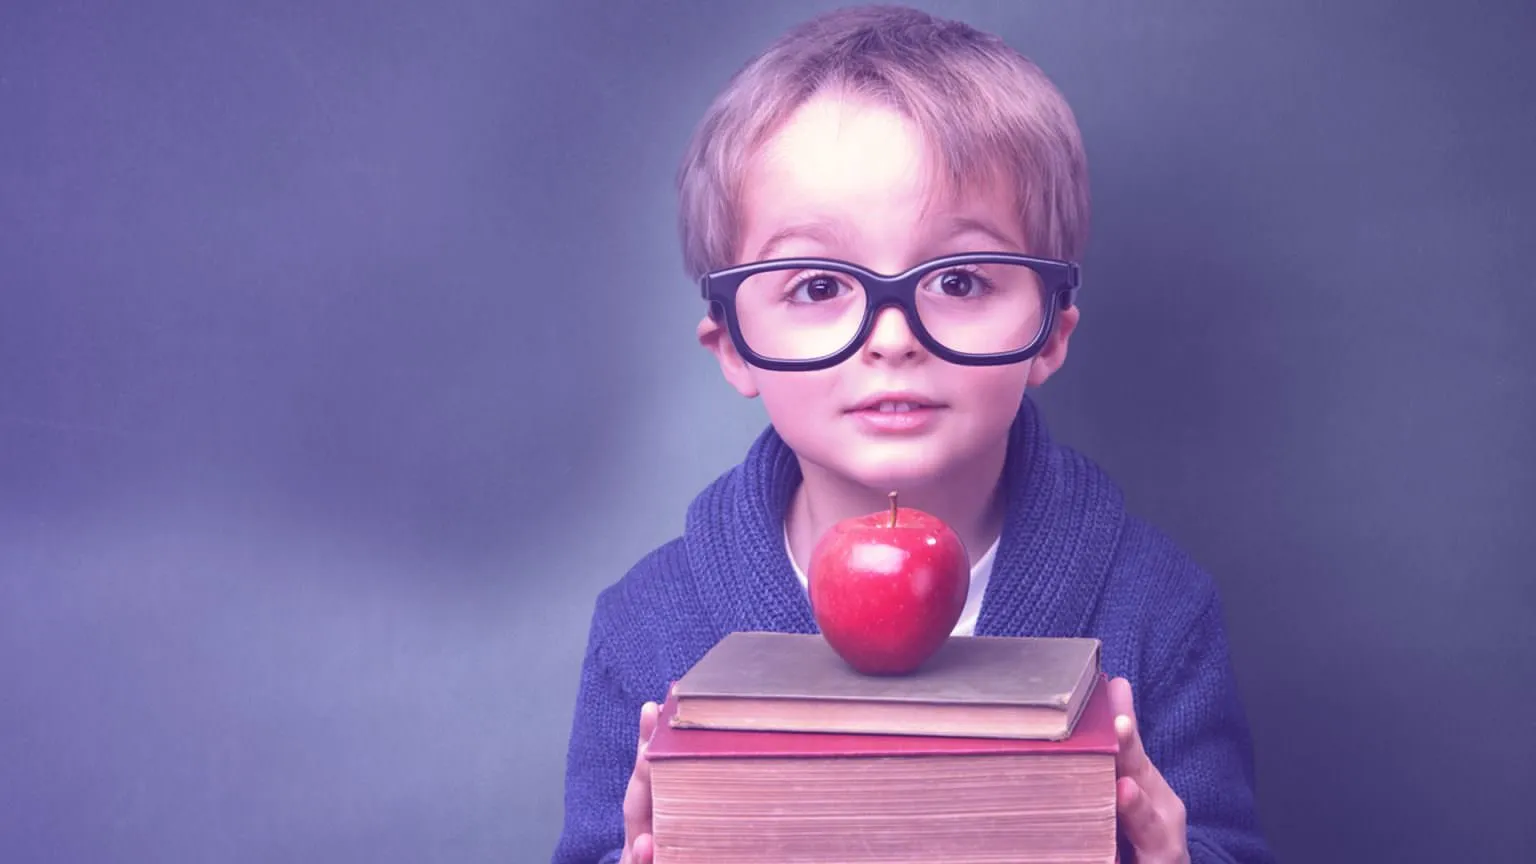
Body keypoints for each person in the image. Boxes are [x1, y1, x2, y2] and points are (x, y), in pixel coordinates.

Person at [550, 5, 1274, 863]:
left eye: (959, 281)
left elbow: (1224, 844)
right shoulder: (647, 626)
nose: (892, 338)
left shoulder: (1157, 609)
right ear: (734, 345)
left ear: (1050, 331)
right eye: (819, 287)